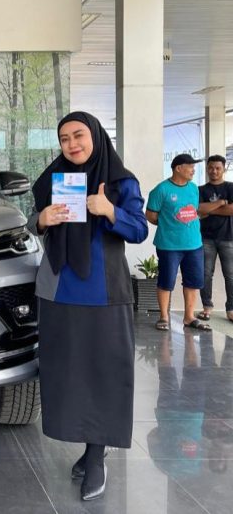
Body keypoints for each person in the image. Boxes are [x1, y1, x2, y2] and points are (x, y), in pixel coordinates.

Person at [29, 111, 147, 501]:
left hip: (103, 293)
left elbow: (139, 229)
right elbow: (35, 223)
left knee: (104, 372)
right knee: (68, 373)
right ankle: (88, 446)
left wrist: (109, 210)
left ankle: (97, 455)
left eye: (78, 135)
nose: (72, 144)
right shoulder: (51, 178)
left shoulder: (120, 181)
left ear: (95, 135)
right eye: (64, 138)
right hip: (58, 290)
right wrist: (41, 220)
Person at [146, 154, 210, 331]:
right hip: (169, 245)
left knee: (193, 281)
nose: (193, 170)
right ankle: (164, 317)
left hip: (194, 244)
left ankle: (189, 317)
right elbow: (150, 215)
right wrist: (168, 225)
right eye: (190, 166)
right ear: (178, 168)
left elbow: (194, 211)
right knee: (166, 281)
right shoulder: (161, 190)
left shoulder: (193, 188)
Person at [197, 154, 233, 322]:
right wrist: (220, 203)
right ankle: (207, 307)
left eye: (218, 168)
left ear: (223, 169)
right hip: (206, 238)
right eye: (211, 168)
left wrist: (209, 209)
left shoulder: (231, 187)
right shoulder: (201, 190)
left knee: (230, 275)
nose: (214, 171)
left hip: (228, 237)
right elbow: (199, 210)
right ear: (207, 169)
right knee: (205, 274)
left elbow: (232, 210)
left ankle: (231, 309)